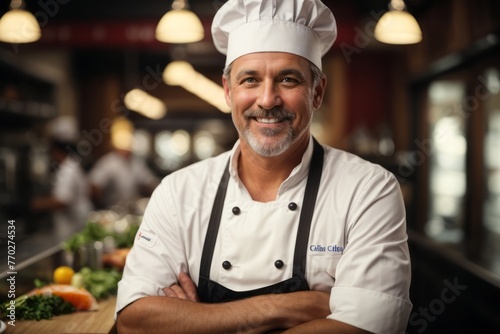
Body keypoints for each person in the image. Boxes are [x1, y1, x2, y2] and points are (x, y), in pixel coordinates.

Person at [115, 0, 412, 333]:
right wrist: (282, 308)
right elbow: (134, 323)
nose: (268, 100)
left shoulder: (368, 190)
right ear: (229, 91)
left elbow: (370, 327)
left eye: (287, 79)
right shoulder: (177, 193)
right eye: (250, 80)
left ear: (317, 92)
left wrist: (199, 322)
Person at [88, 117, 160, 209]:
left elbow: (150, 181)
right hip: (113, 208)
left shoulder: (136, 162)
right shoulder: (107, 163)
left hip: (133, 208)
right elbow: (94, 186)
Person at [31, 138, 93, 238]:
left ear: (56, 152)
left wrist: (36, 204)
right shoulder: (72, 165)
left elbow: (62, 201)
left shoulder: (67, 170)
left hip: (73, 223)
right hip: (78, 218)